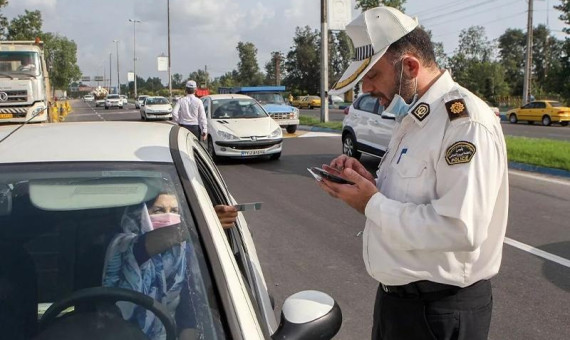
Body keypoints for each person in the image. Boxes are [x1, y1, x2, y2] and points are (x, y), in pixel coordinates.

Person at [320, 6, 508, 340]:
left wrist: (371, 204)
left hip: (438, 313)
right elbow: (413, 196)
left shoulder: (464, 123)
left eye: (373, 76)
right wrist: (369, 183)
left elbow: (460, 229)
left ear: (409, 66)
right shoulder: (416, 118)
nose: (366, 90)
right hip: (401, 305)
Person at [102, 192, 238, 340]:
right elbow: (142, 247)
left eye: (174, 211)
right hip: (114, 331)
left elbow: (188, 310)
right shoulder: (122, 244)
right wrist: (201, 223)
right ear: (140, 213)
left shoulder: (183, 251)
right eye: (159, 210)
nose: (168, 217)